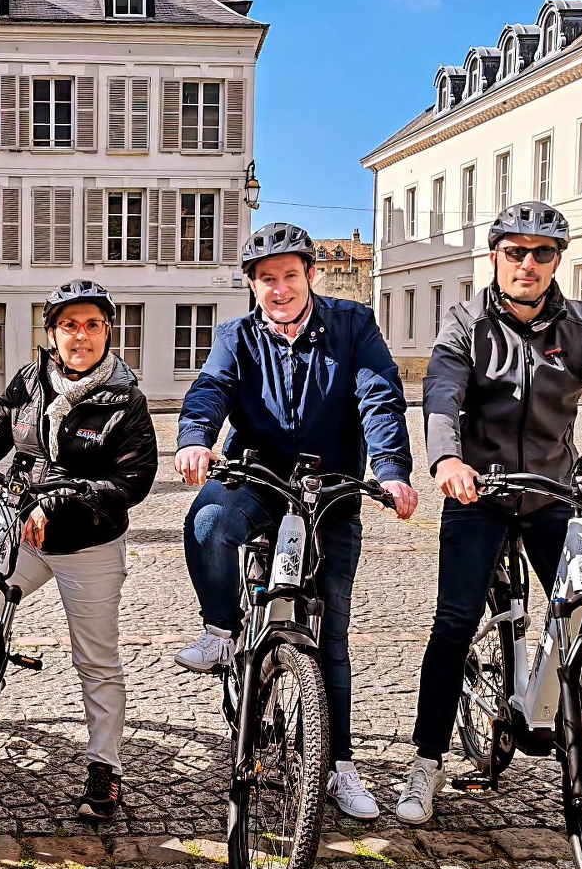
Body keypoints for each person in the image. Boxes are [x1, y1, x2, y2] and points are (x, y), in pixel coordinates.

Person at [397, 201, 582, 824]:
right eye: (515, 252)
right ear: (495, 258)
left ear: (558, 261)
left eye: (541, 253)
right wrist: (447, 460)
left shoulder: (581, 325)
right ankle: (425, 764)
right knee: (454, 624)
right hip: (477, 494)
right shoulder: (465, 322)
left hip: (551, 494)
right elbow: (442, 394)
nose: (527, 264)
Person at [174, 221, 418, 822]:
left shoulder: (354, 326)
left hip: (332, 488)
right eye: (265, 280)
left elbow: (380, 395)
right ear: (252, 286)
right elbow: (211, 388)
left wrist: (389, 469)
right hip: (257, 475)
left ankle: (340, 766)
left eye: (289, 276)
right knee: (208, 524)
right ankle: (222, 632)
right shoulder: (237, 335)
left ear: (312, 275)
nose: (278, 289)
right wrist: (196, 440)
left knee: (330, 635)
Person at [0, 280, 158, 821]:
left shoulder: (126, 400)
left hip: (87, 540)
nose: (81, 336)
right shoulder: (30, 381)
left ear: (108, 332)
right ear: (52, 333)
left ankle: (104, 769)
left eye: (93, 324)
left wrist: (61, 502)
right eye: (69, 325)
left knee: (96, 658)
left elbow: (134, 478)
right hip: (20, 526)